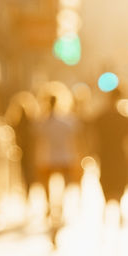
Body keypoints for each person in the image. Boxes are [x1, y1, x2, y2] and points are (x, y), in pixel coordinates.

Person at [34, 93, 82, 230]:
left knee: (47, 185)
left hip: (47, 158)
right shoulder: (66, 122)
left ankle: (50, 205)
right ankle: (60, 206)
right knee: (65, 185)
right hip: (64, 158)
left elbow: (38, 141)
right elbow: (74, 140)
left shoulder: (41, 123)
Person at [93, 88, 128, 225]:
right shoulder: (124, 119)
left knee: (107, 184)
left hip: (105, 157)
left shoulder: (101, 117)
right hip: (119, 157)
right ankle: (118, 215)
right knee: (119, 184)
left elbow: (94, 140)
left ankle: (107, 214)